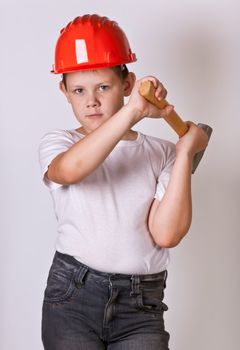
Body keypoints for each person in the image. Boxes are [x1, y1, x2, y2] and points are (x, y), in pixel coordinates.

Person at [39, 14, 208, 350]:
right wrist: (133, 111)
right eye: (79, 90)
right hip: (72, 298)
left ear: (127, 85)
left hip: (140, 306)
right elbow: (70, 171)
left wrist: (186, 152)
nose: (91, 100)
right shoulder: (59, 143)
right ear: (64, 90)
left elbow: (167, 234)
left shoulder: (160, 153)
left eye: (103, 86)